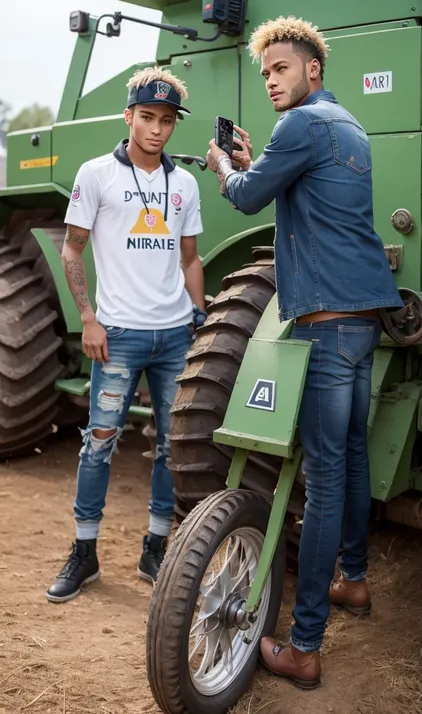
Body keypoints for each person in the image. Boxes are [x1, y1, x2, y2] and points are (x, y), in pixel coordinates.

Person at [206, 16, 404, 688]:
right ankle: (353, 579)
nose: (270, 81)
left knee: (321, 479)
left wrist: (223, 168)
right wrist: (259, 157)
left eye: (281, 70)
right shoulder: (345, 125)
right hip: (364, 316)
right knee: (348, 457)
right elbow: (304, 193)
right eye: (264, 74)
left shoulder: (300, 128)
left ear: (313, 69)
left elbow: (247, 198)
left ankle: (307, 645)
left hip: (325, 323)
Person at [46, 66, 206, 603]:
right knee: (100, 442)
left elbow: (190, 258)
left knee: (170, 447)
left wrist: (199, 314)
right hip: (117, 334)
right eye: (147, 118)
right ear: (128, 116)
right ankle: (84, 552)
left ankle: (155, 548)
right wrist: (88, 318)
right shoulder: (96, 175)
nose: (157, 129)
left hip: (174, 338)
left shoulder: (184, 183)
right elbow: (72, 249)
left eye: (165, 121)